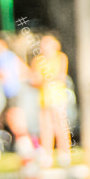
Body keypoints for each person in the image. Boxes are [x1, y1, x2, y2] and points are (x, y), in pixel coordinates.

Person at [0, 35, 35, 177]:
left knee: (17, 124)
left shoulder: (2, 58)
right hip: (12, 93)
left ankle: (29, 151)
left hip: (12, 93)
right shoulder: (10, 57)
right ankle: (26, 152)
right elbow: (25, 71)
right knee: (14, 122)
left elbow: (7, 74)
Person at [30, 33, 71, 169]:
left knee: (61, 126)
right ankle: (46, 155)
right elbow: (35, 79)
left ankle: (64, 153)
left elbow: (60, 76)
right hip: (44, 98)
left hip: (57, 96)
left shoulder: (60, 58)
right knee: (46, 128)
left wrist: (46, 79)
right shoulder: (38, 60)